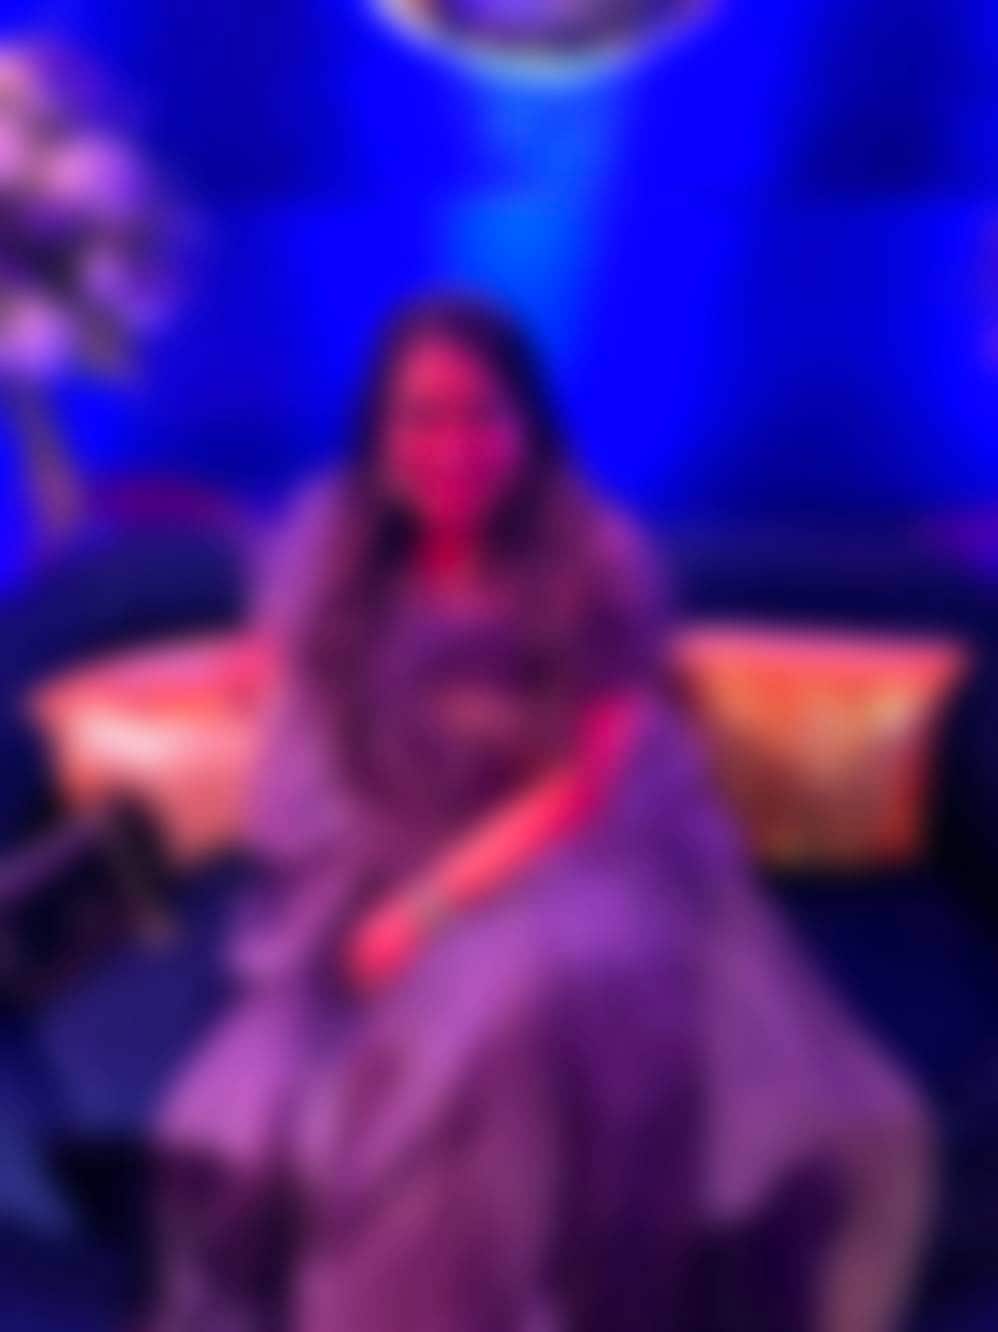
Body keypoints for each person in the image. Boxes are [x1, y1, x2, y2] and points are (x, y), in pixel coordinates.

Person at [145, 295, 934, 1332]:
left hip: (569, 854)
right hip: (384, 849)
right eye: (420, 417)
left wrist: (428, 905)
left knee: (510, 1005)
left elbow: (589, 781)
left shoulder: (592, 557)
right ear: (379, 431)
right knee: (296, 1102)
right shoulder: (339, 546)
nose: (451, 448)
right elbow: (297, 694)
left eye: (480, 415)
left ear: (528, 422)